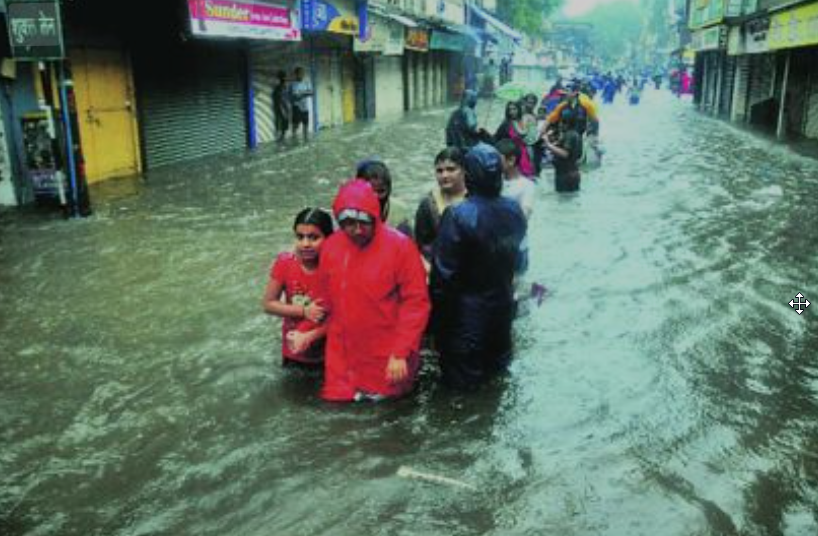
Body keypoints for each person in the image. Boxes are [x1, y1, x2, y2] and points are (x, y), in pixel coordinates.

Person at [318, 180, 430, 402]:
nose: (357, 230)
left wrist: (400, 352)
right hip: (343, 353)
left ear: (375, 217)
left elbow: (416, 304)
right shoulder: (331, 247)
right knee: (340, 415)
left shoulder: (401, 247)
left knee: (389, 414)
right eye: (349, 223)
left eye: (364, 223)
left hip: (387, 353)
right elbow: (326, 299)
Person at [430, 144, 527, 389]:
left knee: (462, 393)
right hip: (502, 317)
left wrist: (438, 327)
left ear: (468, 176)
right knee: (496, 385)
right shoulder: (514, 210)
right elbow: (519, 262)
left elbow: (443, 280)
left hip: (467, 323)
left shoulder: (457, 215)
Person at [262, 208, 334, 366]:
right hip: (293, 352)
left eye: (314, 237)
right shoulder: (285, 263)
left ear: (329, 239)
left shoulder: (336, 267)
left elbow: (346, 318)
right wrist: (304, 311)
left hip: (328, 354)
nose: (305, 244)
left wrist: (310, 336)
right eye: (300, 237)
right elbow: (268, 304)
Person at [414, 147, 468, 266]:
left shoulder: (475, 199)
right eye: (439, 171)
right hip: (436, 270)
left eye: (451, 169)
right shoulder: (428, 204)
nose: (444, 175)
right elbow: (421, 245)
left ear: (464, 171)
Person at [543, 109, 582, 193]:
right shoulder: (576, 134)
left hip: (565, 175)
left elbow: (565, 154)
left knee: (562, 200)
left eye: (560, 122)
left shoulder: (569, 135)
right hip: (573, 173)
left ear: (566, 123)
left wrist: (548, 145)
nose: (559, 125)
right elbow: (578, 155)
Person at [493, 101, 535, 178]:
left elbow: (531, 138)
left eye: (514, 109)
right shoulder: (505, 124)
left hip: (525, 154)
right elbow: (496, 138)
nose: (512, 111)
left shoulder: (524, 121)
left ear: (518, 109)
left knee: (526, 178)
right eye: (510, 110)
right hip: (512, 156)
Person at [289, 66, 313, 141]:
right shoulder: (293, 84)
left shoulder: (306, 82)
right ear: (296, 74)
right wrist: (305, 93)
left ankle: (306, 139)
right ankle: (294, 139)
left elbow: (312, 92)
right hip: (296, 107)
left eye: (302, 73)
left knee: (306, 124)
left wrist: (301, 93)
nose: (301, 75)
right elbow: (295, 96)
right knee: (295, 125)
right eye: (299, 73)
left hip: (305, 107)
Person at [272, 70, 290, 142]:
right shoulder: (278, 88)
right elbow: (277, 98)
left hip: (284, 106)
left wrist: (287, 106)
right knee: (281, 121)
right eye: (282, 77)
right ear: (280, 78)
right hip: (280, 106)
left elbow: (286, 97)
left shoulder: (285, 87)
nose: (284, 79)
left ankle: (282, 137)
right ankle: (280, 137)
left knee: (284, 121)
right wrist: (281, 107)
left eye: (284, 77)